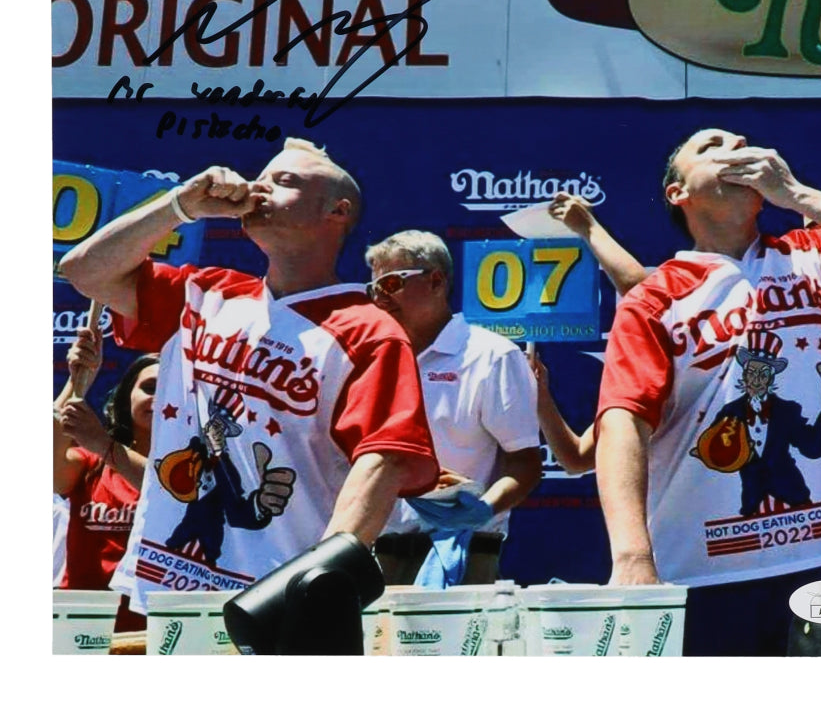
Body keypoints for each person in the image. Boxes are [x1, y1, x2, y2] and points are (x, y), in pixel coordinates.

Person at [594, 128, 821, 655]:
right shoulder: (654, 298)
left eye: (743, 141)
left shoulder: (812, 256)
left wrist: (797, 194)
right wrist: (632, 556)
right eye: (712, 146)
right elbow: (622, 420)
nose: (737, 146)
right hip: (708, 567)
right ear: (678, 192)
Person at [58, 138, 439, 614]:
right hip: (164, 586)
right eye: (261, 177)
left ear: (336, 212)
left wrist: (316, 586)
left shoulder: (368, 330)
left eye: (285, 181)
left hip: (273, 600)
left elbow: (381, 463)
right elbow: (84, 271)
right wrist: (183, 204)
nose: (260, 187)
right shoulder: (205, 292)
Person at [364, 230, 542, 585]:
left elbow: (525, 464)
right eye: (374, 289)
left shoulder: (492, 355)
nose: (380, 299)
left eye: (391, 283)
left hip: (464, 550)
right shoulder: (370, 358)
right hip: (377, 549)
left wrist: (481, 512)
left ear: (436, 281)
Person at [529, 192, 648, 474]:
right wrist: (539, 395)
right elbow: (576, 459)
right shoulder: (643, 392)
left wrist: (589, 227)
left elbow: (643, 295)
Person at [53, 327, 158, 632]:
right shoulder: (90, 464)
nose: (161, 397)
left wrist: (104, 444)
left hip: (160, 630)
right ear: (126, 398)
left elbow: (168, 490)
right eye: (150, 387)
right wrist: (77, 380)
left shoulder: (202, 471)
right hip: (83, 628)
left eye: (171, 390)